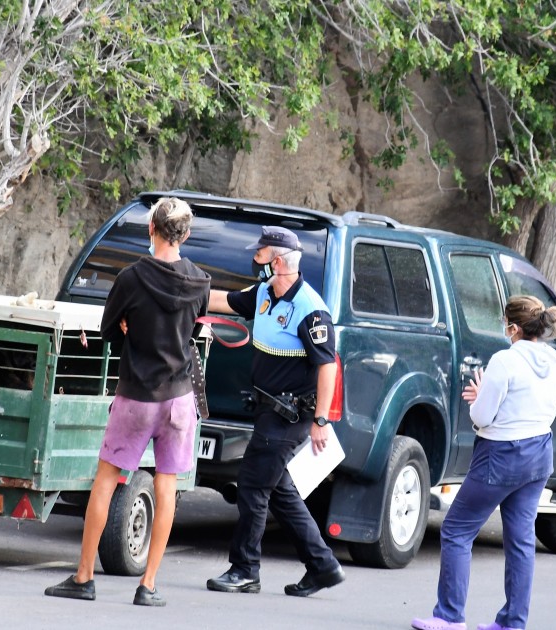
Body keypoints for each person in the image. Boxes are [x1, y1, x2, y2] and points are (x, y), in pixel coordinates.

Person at [45, 197, 210, 606]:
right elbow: (191, 324)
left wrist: (127, 331)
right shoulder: (200, 281)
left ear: (150, 229)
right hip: (179, 400)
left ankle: (84, 577)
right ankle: (148, 585)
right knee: (166, 485)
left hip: (137, 395)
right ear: (185, 234)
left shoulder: (132, 278)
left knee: (106, 480)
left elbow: (108, 333)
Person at [204, 225, 345, 598]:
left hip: (290, 415)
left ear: (278, 262)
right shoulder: (265, 293)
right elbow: (224, 301)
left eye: (261, 255)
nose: (255, 260)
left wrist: (321, 420)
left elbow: (328, 365)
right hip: (269, 410)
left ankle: (245, 569)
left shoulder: (311, 311)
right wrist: (182, 290)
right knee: (280, 490)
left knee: (251, 486)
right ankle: (323, 566)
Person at [412, 295, 556, 630]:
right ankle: (513, 623)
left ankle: (450, 617)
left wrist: (481, 401)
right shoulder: (555, 362)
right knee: (521, 541)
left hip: (501, 455)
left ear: (512, 327)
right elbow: (539, 405)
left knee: (456, 530)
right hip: (540, 451)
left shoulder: (504, 361)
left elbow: (483, 416)